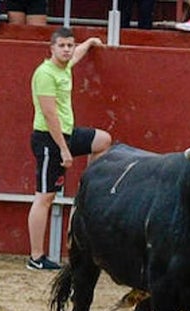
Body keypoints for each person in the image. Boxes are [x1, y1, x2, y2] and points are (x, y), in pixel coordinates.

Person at [26, 27, 112, 271]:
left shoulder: (64, 67)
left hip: (66, 133)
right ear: (51, 48)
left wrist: (91, 42)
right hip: (48, 139)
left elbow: (77, 55)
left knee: (103, 140)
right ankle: (35, 256)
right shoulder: (45, 74)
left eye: (69, 45)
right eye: (61, 45)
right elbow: (49, 114)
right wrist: (64, 149)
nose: (67, 50)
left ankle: (90, 188)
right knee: (44, 197)